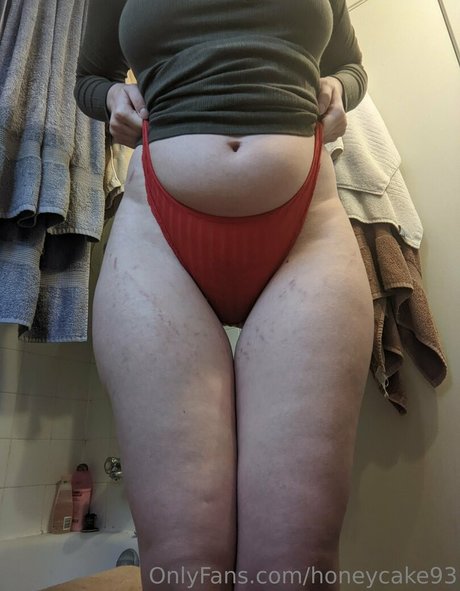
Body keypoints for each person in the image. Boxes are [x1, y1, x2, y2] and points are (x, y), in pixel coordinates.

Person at [74, 1, 373, 589]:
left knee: (298, 564)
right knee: (182, 562)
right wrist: (111, 98)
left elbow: (351, 67)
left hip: (305, 232)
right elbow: (90, 76)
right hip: (158, 234)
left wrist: (341, 88)